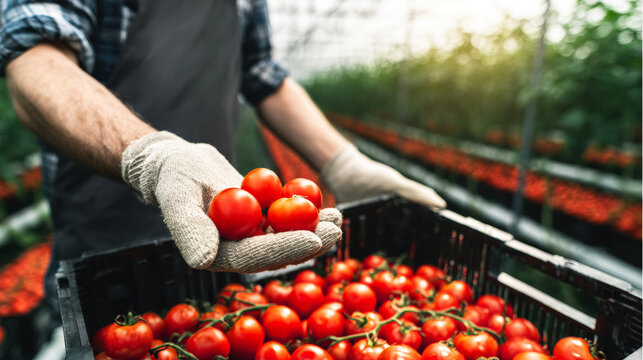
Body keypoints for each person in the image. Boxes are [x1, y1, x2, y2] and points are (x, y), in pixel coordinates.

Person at [1, 0, 446, 320]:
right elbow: (33, 58)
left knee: (212, 324)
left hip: (224, 228)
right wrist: (151, 157)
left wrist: (342, 162)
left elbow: (262, 75)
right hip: (105, 237)